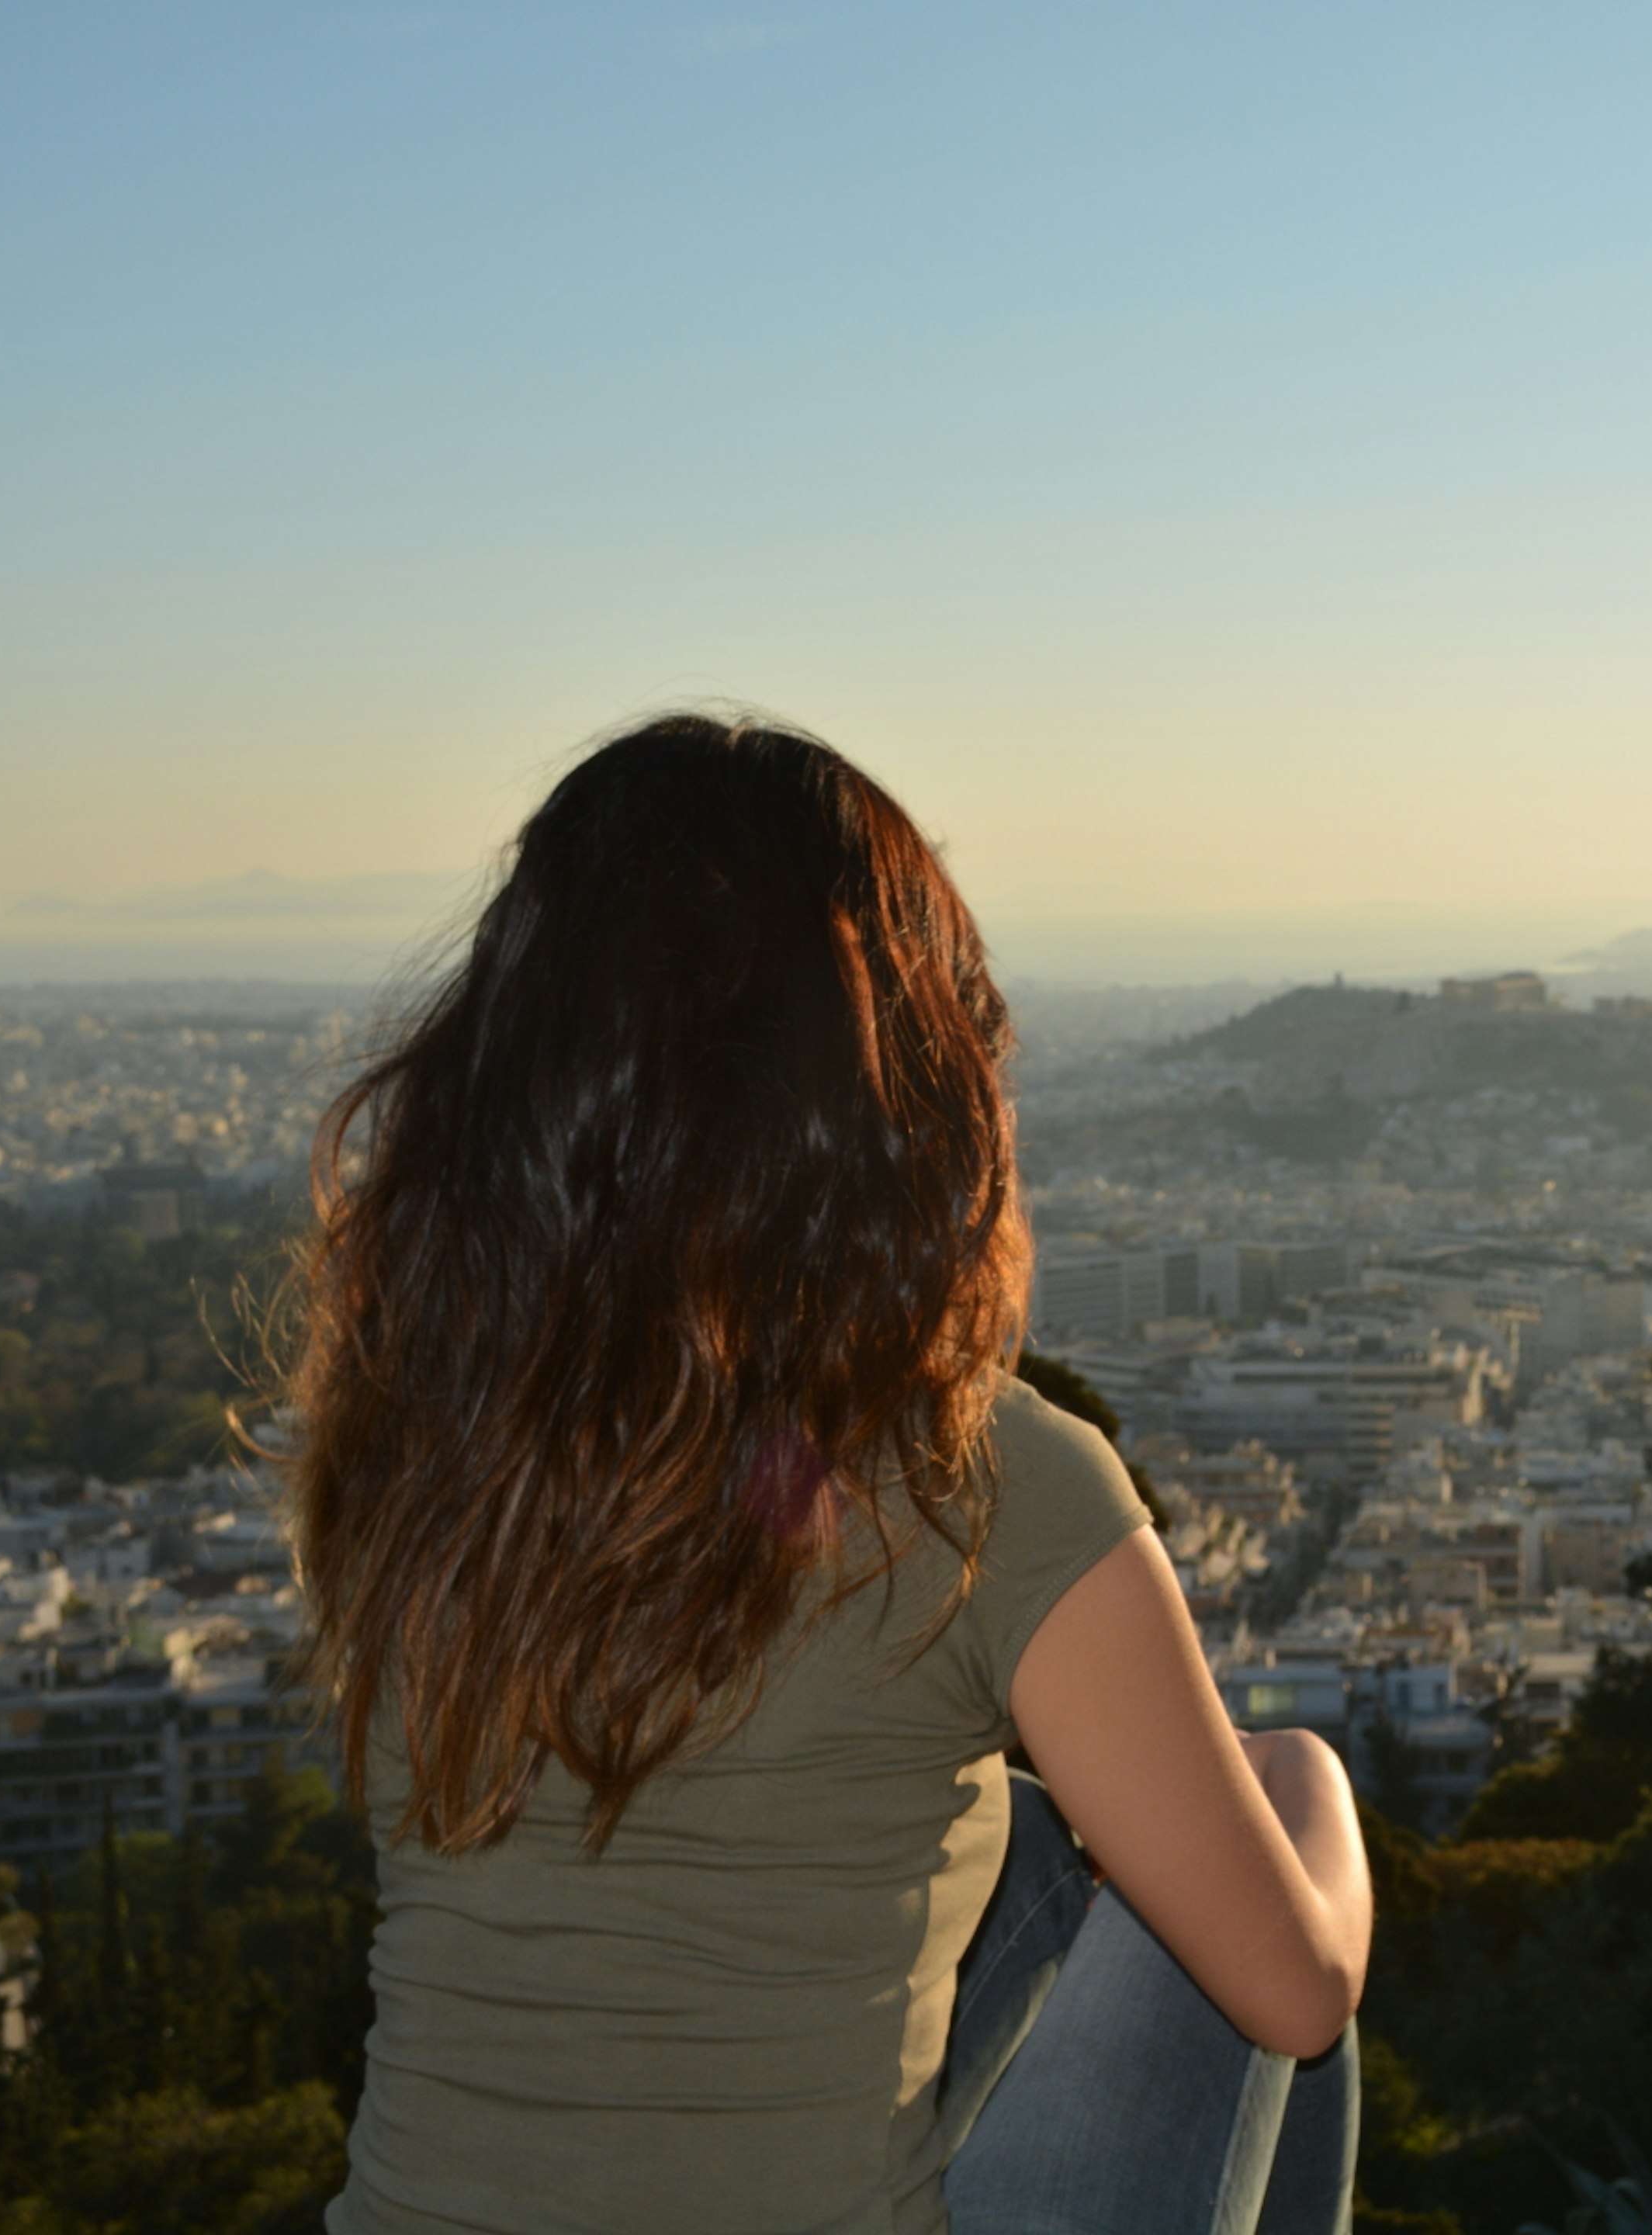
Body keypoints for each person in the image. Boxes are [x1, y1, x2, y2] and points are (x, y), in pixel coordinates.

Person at [286, 715, 1370, 2235]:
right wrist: (1306, 1786)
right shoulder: (983, 1488)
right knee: (1247, 1925)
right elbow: (1294, 1991)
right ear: (897, 1077)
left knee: (1036, 1833)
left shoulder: (416, 1458)